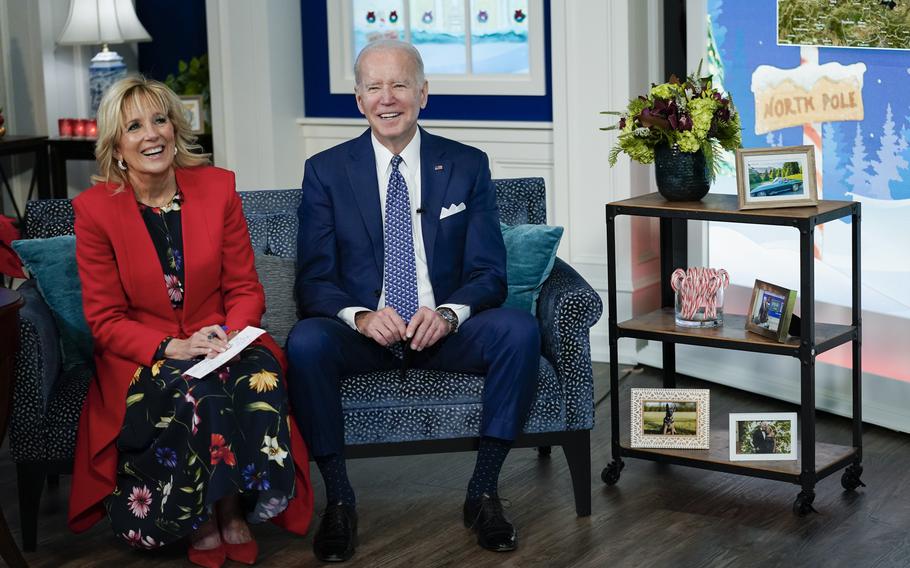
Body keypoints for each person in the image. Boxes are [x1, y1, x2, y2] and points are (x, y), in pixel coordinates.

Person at [286, 39, 540, 562]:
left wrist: (449, 314)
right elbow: (314, 281)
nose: (388, 98)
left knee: (519, 329)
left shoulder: (467, 165)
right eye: (374, 87)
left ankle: (484, 492)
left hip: (442, 329)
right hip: (366, 334)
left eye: (400, 84)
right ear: (358, 100)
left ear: (423, 94)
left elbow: (490, 273)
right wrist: (359, 316)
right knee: (307, 341)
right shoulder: (325, 171)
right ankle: (340, 501)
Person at [67, 76, 312, 568]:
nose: (151, 134)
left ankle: (233, 506)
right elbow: (105, 319)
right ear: (117, 145)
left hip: (222, 337)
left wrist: (229, 336)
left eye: (159, 120)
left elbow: (244, 286)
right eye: (134, 126)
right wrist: (169, 347)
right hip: (145, 354)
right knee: (198, 393)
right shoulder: (94, 212)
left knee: (258, 378)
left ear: (176, 128)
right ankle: (204, 514)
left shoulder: (217, 188)